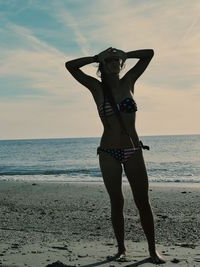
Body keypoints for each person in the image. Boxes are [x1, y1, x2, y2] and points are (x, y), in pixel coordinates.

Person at [65, 47, 165, 264]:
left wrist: (124, 54)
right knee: (116, 201)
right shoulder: (96, 88)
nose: (112, 63)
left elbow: (149, 53)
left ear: (120, 63)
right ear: (101, 66)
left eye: (115, 60)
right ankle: (121, 249)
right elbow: (70, 66)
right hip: (108, 151)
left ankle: (152, 251)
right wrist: (95, 57)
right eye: (107, 61)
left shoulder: (130, 80)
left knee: (143, 201)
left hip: (133, 149)